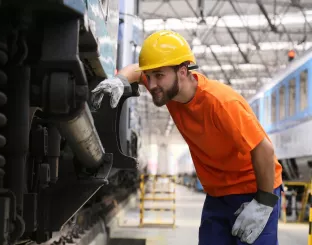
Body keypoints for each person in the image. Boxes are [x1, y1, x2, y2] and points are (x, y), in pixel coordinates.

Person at [91, 30, 283, 245]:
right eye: (150, 76)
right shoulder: (168, 90)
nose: (151, 84)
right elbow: (137, 71)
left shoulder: (221, 103)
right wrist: (119, 80)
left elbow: (264, 150)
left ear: (183, 71)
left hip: (254, 189)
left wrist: (263, 203)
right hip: (218, 194)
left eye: (159, 76)